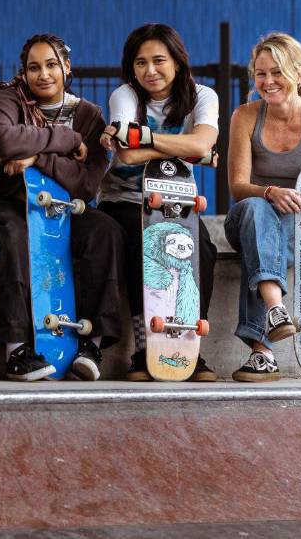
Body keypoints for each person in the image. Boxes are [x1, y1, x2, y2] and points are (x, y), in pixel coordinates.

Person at [0, 33, 124, 381]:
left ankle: (92, 347)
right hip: (7, 198)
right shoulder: (5, 97)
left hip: (65, 208)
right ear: (23, 72)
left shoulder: (89, 115)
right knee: (10, 234)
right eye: (34, 67)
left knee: (105, 231)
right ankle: (16, 351)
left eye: (52, 65)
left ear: (66, 67)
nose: (43, 74)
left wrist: (36, 157)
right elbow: (2, 138)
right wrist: (66, 141)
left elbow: (88, 184)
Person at [97, 23, 219, 381]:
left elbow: (200, 145)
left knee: (204, 251)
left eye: (159, 60)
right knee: (141, 243)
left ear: (178, 62)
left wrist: (144, 137)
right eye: (140, 63)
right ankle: (143, 349)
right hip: (124, 199)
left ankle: (189, 348)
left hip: (177, 205)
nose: (150, 70)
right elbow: (128, 156)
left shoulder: (202, 97)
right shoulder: (126, 96)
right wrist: (190, 148)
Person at [224, 31, 301, 382]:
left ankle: (261, 353)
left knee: (264, 243)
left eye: (276, 72)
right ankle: (277, 310)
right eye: (260, 74)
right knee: (256, 211)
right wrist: (270, 192)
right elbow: (237, 187)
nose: (268, 81)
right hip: (248, 217)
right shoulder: (245, 117)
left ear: (297, 73)